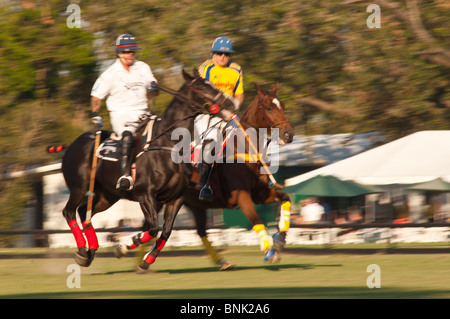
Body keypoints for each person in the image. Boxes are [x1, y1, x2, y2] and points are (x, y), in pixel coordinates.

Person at [90, 34, 159, 191]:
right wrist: (96, 115)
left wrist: (154, 89)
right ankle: (125, 175)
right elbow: (96, 96)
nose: (130, 55)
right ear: (119, 53)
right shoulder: (110, 73)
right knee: (128, 136)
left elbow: (153, 89)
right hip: (121, 114)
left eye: (132, 51)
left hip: (143, 112)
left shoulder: (143, 67)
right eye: (127, 52)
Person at [195, 37, 244, 200]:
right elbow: (200, 92)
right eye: (219, 53)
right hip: (208, 114)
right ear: (213, 54)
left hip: (229, 114)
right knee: (211, 143)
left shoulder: (236, 69)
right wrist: (214, 108)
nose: (223, 57)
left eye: (226, 54)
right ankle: (204, 185)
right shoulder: (205, 68)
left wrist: (236, 105)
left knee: (247, 140)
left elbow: (239, 93)